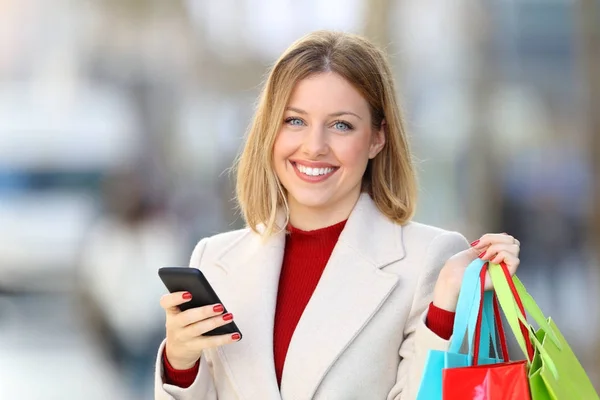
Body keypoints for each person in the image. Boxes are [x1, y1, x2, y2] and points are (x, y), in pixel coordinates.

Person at [154, 30, 521, 400]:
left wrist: (443, 310)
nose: (314, 147)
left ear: (378, 138)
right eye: (294, 120)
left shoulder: (431, 260)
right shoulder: (215, 261)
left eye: (341, 125)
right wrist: (181, 365)